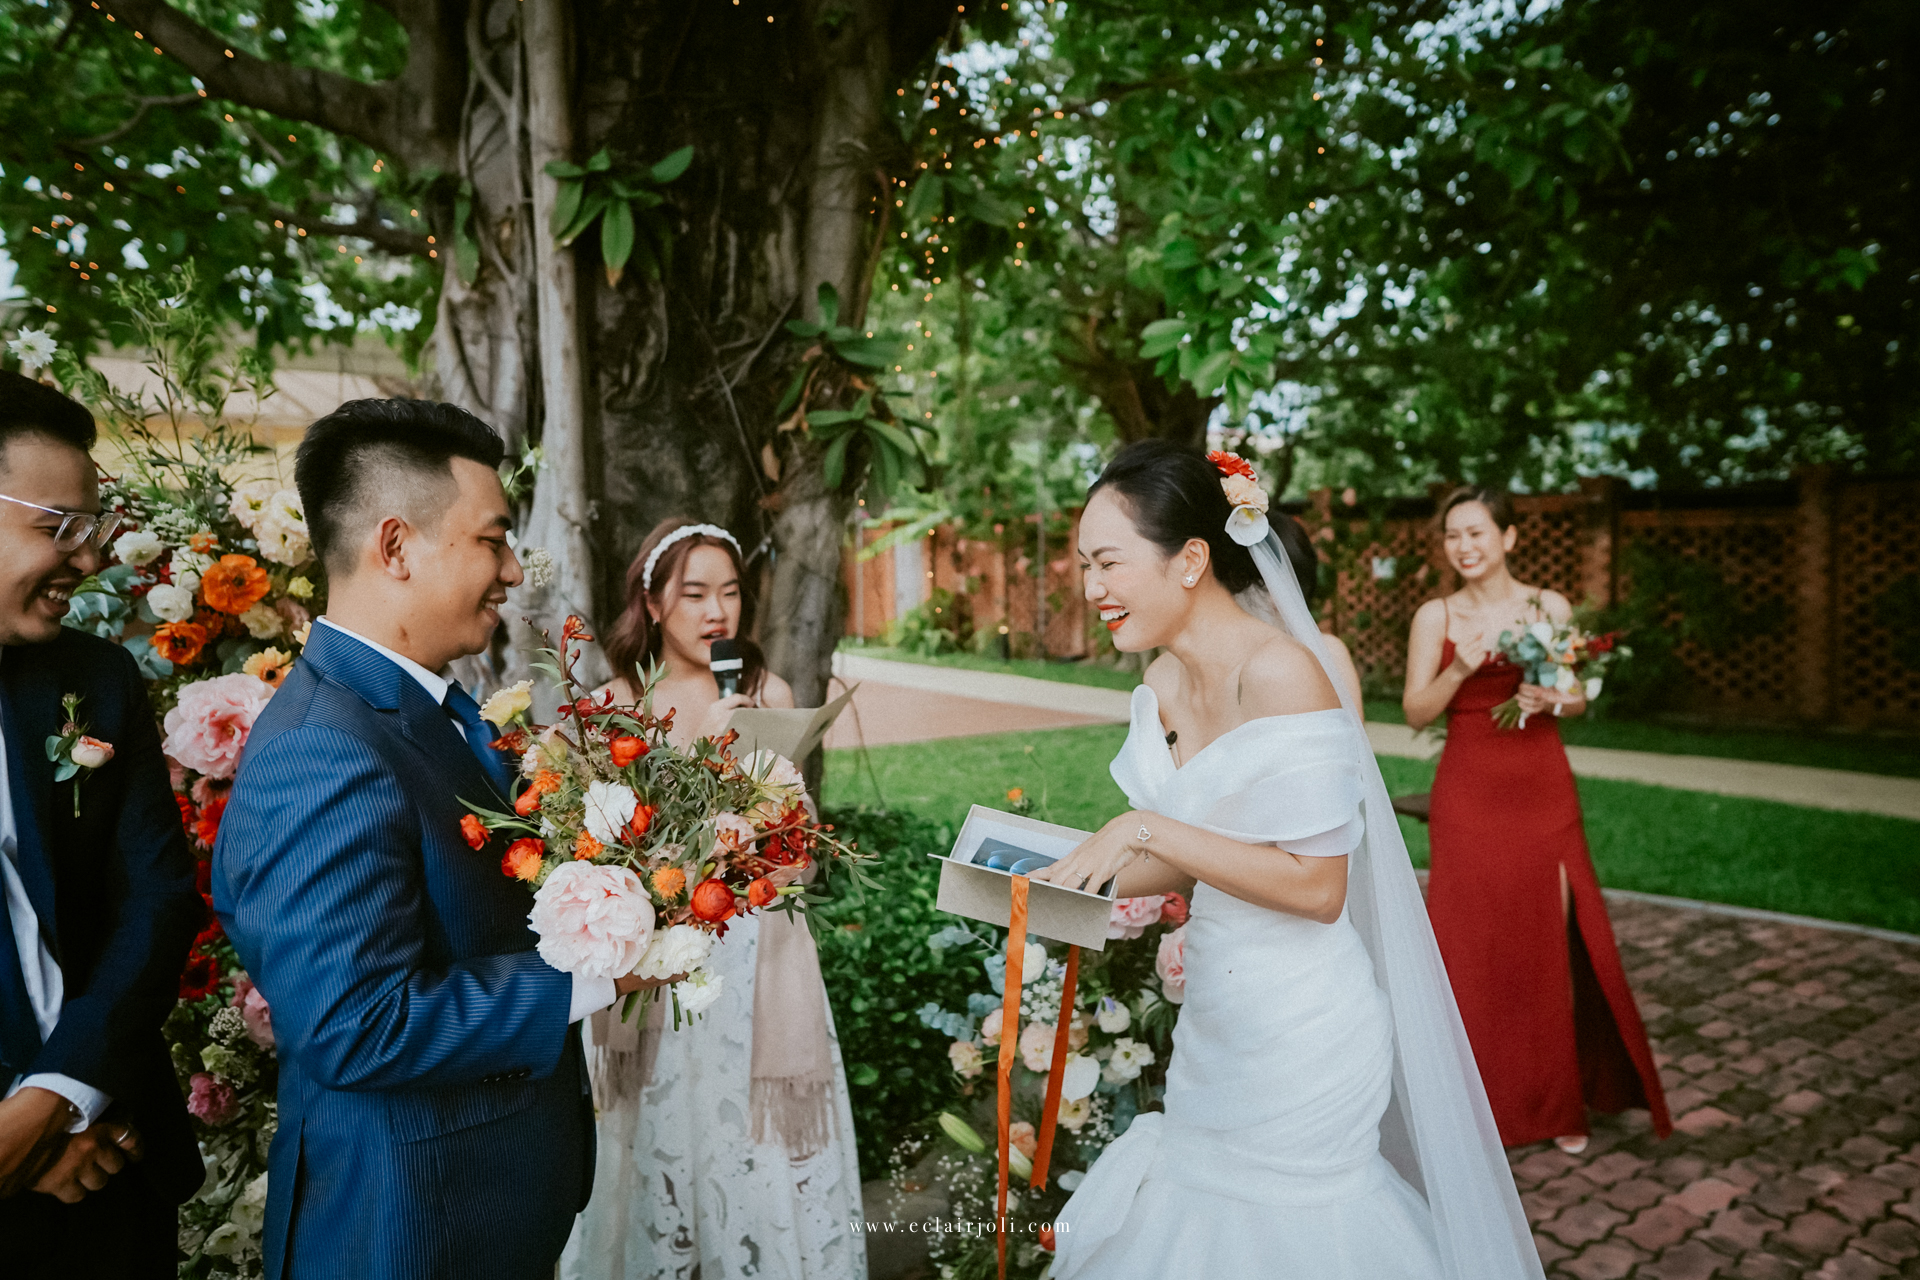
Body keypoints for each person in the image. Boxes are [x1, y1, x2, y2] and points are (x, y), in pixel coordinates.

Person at [1033, 441, 1543, 1280]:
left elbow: (1317, 888)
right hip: (1216, 1021)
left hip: (1306, 1031)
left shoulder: (1285, 674)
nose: (1091, 587)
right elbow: (1188, 863)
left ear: (1190, 559)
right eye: (1085, 564)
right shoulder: (1160, 684)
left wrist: (1145, 830)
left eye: (1108, 562)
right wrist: (1051, 882)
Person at [212, 399, 680, 1280]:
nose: (512, 571)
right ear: (395, 547)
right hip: (406, 1228)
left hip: (480, 1206)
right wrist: (599, 971)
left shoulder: (432, 709)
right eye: (493, 540)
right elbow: (355, 1024)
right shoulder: (322, 748)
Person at [563, 518, 867, 1280]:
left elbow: (798, 855)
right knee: (661, 1140)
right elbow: (603, 853)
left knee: (751, 1155)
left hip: (757, 962)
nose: (716, 612)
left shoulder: (767, 692)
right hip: (655, 967)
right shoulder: (612, 706)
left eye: (729, 592)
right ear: (652, 604)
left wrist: (775, 812)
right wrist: (703, 754)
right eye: (694, 593)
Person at [0, 371, 204, 1277]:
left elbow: (156, 899)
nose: (88, 562)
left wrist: (53, 1101)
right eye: (59, 528)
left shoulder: (96, 679)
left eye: (93, 529)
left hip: (109, 1157)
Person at [1402, 487, 1670, 1153]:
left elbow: (1574, 699)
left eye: (1477, 533)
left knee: (1546, 943)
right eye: (1453, 536)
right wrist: (1461, 668)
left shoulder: (1549, 607)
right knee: (1471, 945)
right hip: (1469, 790)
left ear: (1509, 538)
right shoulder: (1436, 615)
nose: (1464, 547)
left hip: (1540, 785)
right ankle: (1472, 1109)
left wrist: (1551, 698)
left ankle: (1555, 1108)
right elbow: (1414, 712)